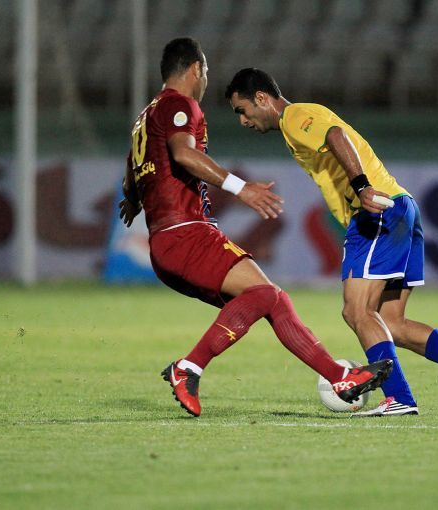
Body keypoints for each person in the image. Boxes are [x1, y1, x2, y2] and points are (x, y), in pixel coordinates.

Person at [118, 38, 392, 417]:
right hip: (187, 233)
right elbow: (183, 154)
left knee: (272, 299)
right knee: (264, 294)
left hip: (168, 241)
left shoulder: (145, 116)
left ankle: (339, 377)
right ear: (196, 69)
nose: (205, 81)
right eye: (206, 72)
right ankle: (189, 367)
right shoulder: (180, 104)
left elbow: (132, 172)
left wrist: (133, 199)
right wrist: (241, 188)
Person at [225, 68, 438, 415]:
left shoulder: (295, 116)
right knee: (391, 324)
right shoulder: (295, 124)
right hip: (400, 206)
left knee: (357, 311)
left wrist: (361, 187)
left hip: (375, 213)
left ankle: (399, 398)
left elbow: (336, 135)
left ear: (261, 98)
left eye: (242, 110)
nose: (242, 120)